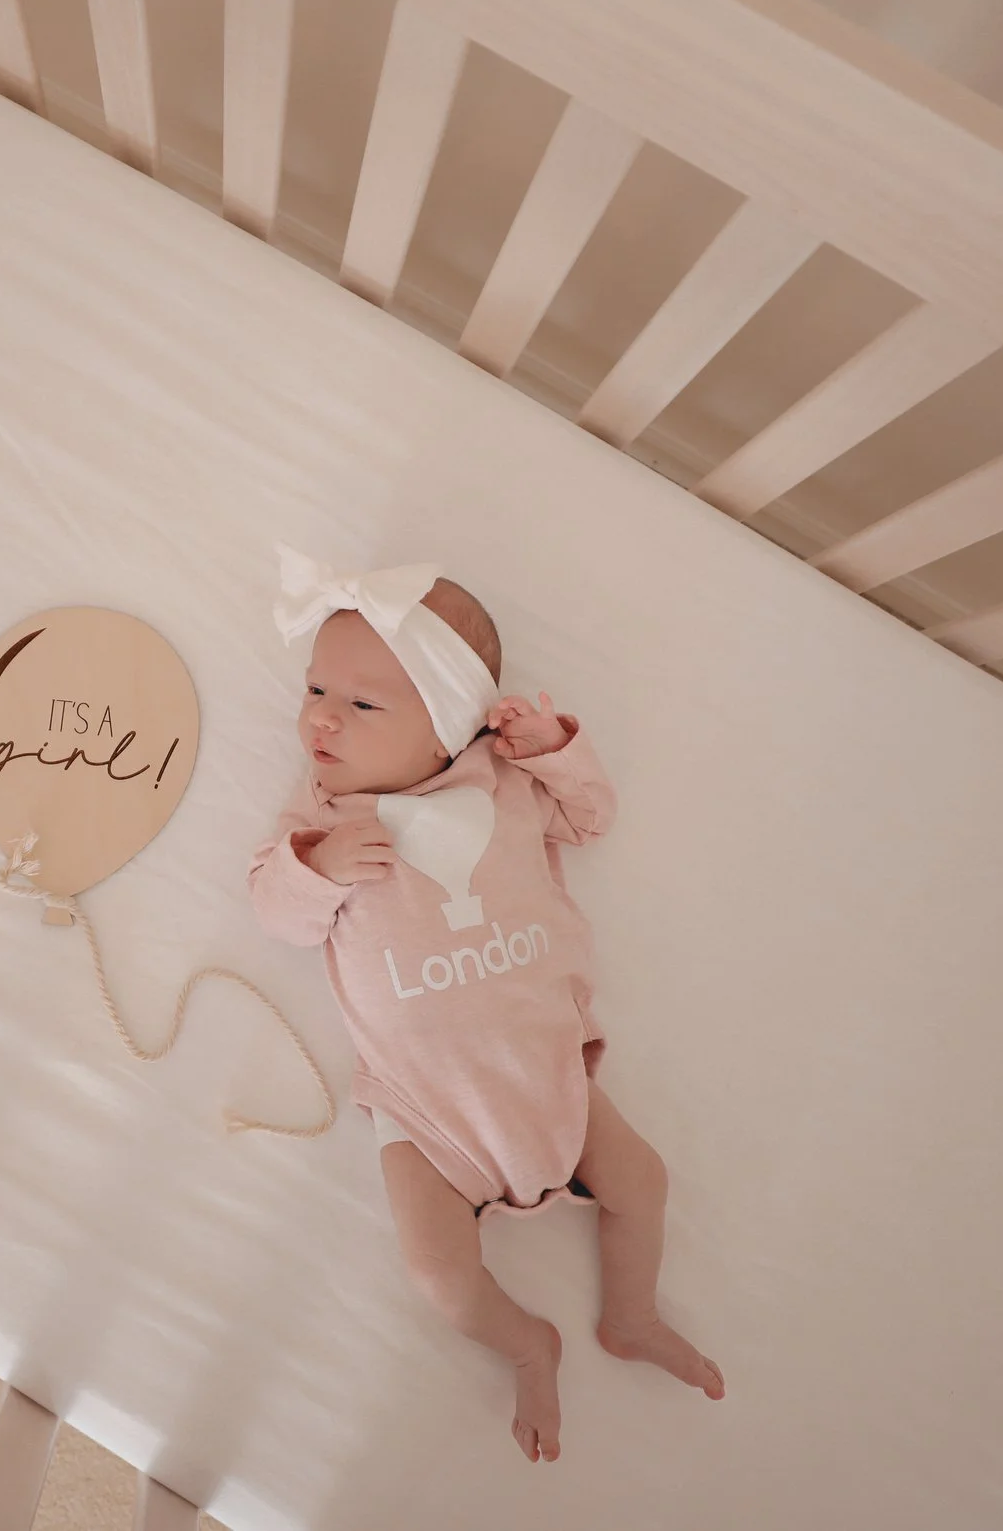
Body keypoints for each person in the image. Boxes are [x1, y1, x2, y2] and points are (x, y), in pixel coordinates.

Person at [249, 548, 721, 1463]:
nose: (320, 717)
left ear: (449, 724)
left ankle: (631, 1314)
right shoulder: (318, 817)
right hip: (426, 1113)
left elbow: (588, 818)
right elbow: (276, 914)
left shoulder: (500, 786)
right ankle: (525, 1342)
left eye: (362, 703)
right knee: (440, 1276)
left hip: (547, 1075)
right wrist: (314, 869)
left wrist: (553, 749)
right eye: (316, 689)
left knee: (644, 1182)